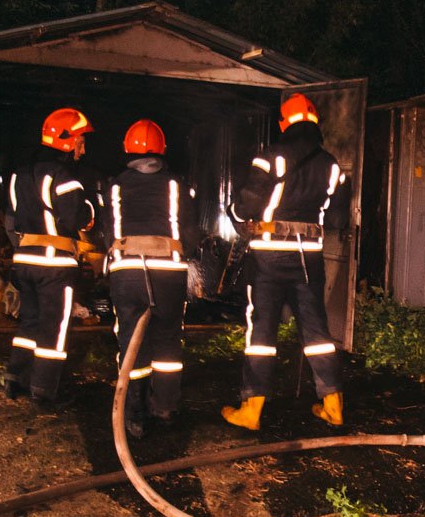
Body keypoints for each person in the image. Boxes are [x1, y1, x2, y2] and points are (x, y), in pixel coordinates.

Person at [221, 93, 350, 430]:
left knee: (262, 328)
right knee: (317, 329)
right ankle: (333, 404)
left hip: (268, 257)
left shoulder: (270, 158)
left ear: (284, 123)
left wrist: (235, 217)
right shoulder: (333, 166)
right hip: (309, 258)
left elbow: (245, 205)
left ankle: (252, 410)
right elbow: (337, 219)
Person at [105, 118, 198, 438]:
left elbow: (108, 231)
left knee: (131, 340)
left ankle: (134, 416)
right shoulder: (177, 185)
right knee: (168, 338)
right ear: (162, 150)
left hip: (126, 270)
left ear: (128, 150)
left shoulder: (116, 185)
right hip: (168, 271)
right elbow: (191, 231)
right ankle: (166, 409)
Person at [4, 107, 94, 408]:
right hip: (54, 264)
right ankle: (43, 391)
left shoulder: (19, 174)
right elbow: (75, 219)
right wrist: (91, 212)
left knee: (29, 323)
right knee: (54, 328)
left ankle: (14, 378)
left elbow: (12, 218)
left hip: (25, 261)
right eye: (81, 141)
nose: (84, 148)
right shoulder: (63, 176)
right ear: (67, 142)